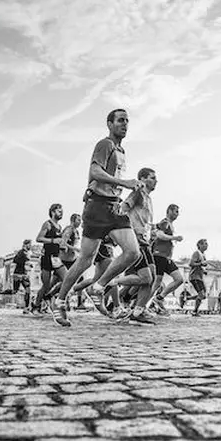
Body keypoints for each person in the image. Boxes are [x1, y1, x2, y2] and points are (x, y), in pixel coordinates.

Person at [53, 109, 142, 327]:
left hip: (113, 208)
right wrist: (124, 183)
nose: (125, 124)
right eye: (120, 120)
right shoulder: (106, 144)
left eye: (127, 121)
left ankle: (98, 287)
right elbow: (95, 172)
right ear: (109, 124)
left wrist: (122, 193)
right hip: (97, 208)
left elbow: (107, 178)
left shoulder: (121, 150)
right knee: (85, 260)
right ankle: (59, 301)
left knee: (132, 252)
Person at [107, 167, 160, 324]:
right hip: (135, 240)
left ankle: (138, 311)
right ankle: (112, 281)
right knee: (146, 278)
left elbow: (145, 221)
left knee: (152, 277)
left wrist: (153, 230)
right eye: (152, 177)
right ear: (142, 179)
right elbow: (123, 209)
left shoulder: (149, 199)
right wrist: (120, 233)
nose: (156, 180)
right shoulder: (138, 193)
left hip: (145, 241)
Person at [151, 204, 184, 315]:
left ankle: (159, 297)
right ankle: (143, 305)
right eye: (176, 211)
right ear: (169, 211)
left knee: (179, 279)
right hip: (159, 255)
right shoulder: (164, 222)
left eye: (178, 212)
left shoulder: (170, 225)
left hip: (166, 257)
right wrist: (174, 238)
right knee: (156, 283)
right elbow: (159, 235)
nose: (177, 214)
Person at [35, 204, 66, 311]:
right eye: (59, 211)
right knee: (46, 285)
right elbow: (38, 238)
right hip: (47, 257)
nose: (61, 212)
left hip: (56, 257)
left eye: (62, 211)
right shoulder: (47, 224)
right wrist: (53, 241)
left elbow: (58, 242)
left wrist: (62, 247)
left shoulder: (60, 227)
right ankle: (36, 305)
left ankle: (49, 295)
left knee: (67, 279)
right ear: (52, 212)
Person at [8, 239, 33, 311]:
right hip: (19, 274)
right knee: (21, 290)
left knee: (24, 290)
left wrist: (28, 263)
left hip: (23, 274)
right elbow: (15, 261)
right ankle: (26, 308)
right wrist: (25, 261)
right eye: (29, 245)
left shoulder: (26, 253)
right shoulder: (21, 252)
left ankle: (26, 308)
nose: (30, 246)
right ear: (25, 245)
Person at [187, 238, 209, 316]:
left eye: (207, 244)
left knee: (204, 296)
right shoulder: (196, 253)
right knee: (201, 294)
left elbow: (201, 265)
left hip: (200, 277)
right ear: (199, 245)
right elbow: (191, 263)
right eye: (205, 244)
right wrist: (201, 264)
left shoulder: (203, 255)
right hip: (194, 276)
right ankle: (195, 311)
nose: (207, 245)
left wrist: (204, 270)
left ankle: (187, 298)